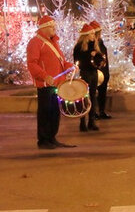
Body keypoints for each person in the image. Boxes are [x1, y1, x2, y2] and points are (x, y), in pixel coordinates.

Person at [26, 15, 76, 150]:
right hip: (46, 84)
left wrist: (69, 66)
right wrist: (44, 76)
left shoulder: (54, 43)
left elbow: (61, 62)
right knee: (45, 112)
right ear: (45, 28)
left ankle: (52, 137)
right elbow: (32, 64)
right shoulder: (35, 42)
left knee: (54, 112)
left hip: (57, 84)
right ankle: (43, 140)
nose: (55, 28)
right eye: (52, 26)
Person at [73, 24, 101, 132]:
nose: (94, 36)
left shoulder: (95, 44)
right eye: (91, 34)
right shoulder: (79, 46)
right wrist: (90, 55)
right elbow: (78, 60)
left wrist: (97, 57)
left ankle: (91, 121)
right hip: (85, 73)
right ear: (86, 35)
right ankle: (82, 122)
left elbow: (99, 58)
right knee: (83, 97)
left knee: (93, 96)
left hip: (93, 72)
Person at [90, 21, 112, 119]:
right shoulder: (91, 44)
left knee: (102, 92)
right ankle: (93, 113)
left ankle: (102, 111)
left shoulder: (100, 42)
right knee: (93, 93)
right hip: (96, 71)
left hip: (104, 71)